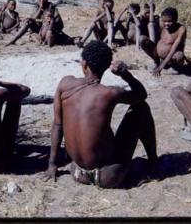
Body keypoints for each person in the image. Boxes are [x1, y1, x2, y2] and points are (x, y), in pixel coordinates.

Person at [43, 41, 157, 188]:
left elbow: (58, 125)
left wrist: (52, 164)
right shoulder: (110, 93)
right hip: (108, 176)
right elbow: (142, 95)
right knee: (141, 108)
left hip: (77, 172)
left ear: (84, 64)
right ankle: (153, 161)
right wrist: (125, 74)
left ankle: (150, 162)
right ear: (106, 68)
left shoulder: (65, 84)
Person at [145, 7, 187, 76]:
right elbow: (151, 21)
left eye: (169, 21)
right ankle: (157, 62)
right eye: (164, 21)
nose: (166, 24)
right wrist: (151, 7)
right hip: (159, 56)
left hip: (172, 57)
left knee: (179, 55)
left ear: (176, 20)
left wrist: (160, 68)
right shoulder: (162, 25)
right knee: (143, 40)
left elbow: (173, 49)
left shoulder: (181, 29)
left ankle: (173, 66)